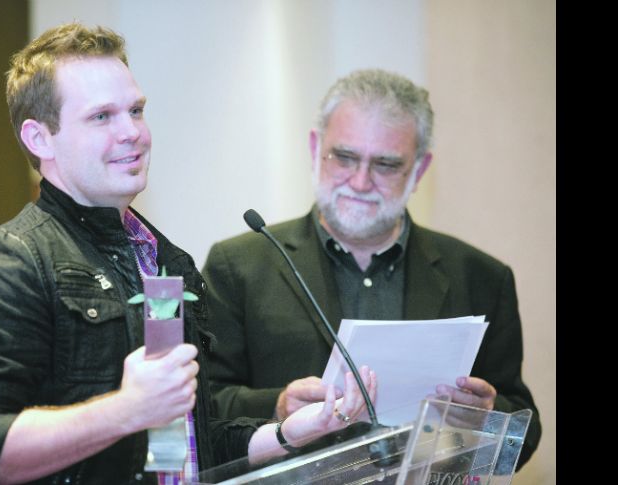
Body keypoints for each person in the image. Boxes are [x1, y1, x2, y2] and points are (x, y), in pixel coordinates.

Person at [0, 23, 375, 485]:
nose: (133, 132)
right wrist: (125, 410)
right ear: (39, 138)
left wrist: (291, 433)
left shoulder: (164, 260)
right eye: (101, 116)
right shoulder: (6, 263)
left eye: (136, 110)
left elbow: (182, 447)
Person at [202, 68, 541, 468]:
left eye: (385, 164)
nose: (360, 182)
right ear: (315, 148)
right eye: (345, 157)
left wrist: (486, 417)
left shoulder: (481, 277)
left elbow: (523, 435)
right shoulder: (239, 266)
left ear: (419, 170)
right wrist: (276, 407)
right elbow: (201, 408)